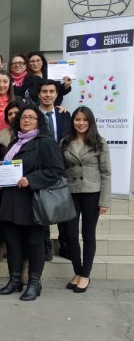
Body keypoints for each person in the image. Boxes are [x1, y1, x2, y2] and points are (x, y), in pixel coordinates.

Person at [0, 105, 65, 301]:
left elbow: (56, 170)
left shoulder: (45, 143)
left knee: (34, 244)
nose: (26, 120)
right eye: (23, 117)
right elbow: (8, 170)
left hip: (33, 203)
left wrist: (31, 180)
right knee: (13, 243)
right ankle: (14, 280)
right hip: (10, 202)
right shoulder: (14, 144)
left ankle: (34, 283)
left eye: (31, 118)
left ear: (38, 122)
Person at [61, 106, 111, 293]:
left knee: (88, 234)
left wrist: (104, 201)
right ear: (72, 121)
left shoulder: (100, 143)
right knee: (71, 235)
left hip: (92, 193)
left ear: (90, 122)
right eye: (77, 119)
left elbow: (106, 173)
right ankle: (78, 271)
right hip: (71, 193)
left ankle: (85, 274)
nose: (80, 123)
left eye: (84, 120)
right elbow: (61, 171)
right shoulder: (64, 142)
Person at [38, 79, 72, 260]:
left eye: (51, 91)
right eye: (44, 91)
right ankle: (45, 246)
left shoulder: (64, 115)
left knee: (62, 203)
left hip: (61, 165)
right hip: (40, 166)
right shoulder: (32, 115)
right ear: (39, 94)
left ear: (57, 95)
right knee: (42, 205)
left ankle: (64, 243)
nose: (48, 95)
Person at [0, 100, 23, 262]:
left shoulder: (34, 134)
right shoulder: (2, 134)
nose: (13, 116)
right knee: (0, 216)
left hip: (25, 184)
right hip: (5, 183)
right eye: (9, 114)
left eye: (16, 113)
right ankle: (2, 243)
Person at [0, 69, 24, 134]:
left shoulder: (18, 100)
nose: (1, 85)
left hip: (15, 138)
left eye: (5, 82)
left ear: (10, 83)